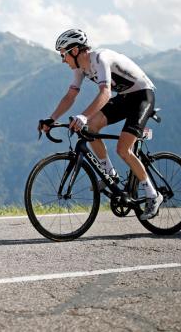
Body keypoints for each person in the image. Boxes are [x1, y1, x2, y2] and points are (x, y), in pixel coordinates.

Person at [39, 29, 162, 220]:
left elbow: (105, 93)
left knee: (123, 149)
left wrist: (84, 116)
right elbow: (71, 95)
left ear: (74, 51)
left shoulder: (100, 58)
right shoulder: (80, 68)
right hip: (125, 98)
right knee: (90, 130)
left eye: (63, 54)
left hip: (142, 97)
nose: (63, 60)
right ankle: (110, 174)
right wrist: (51, 118)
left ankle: (153, 195)